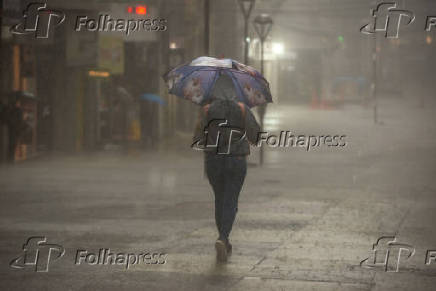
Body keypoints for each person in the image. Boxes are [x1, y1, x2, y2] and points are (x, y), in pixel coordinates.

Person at [193, 73, 260, 262]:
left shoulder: (206, 110)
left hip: (214, 160)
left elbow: (197, 139)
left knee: (220, 199)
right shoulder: (242, 109)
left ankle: (224, 239)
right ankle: (223, 237)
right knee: (230, 199)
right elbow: (255, 137)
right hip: (236, 159)